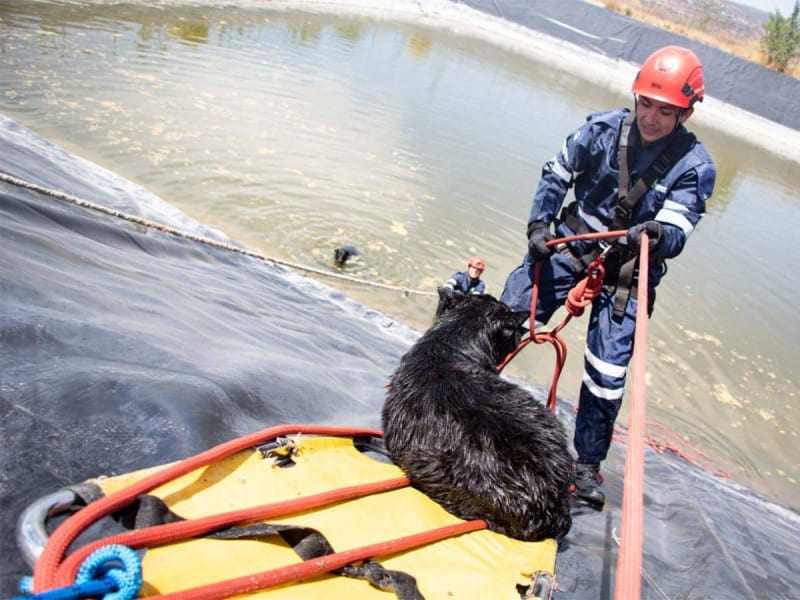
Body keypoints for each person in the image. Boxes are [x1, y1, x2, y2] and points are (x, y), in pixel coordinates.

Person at [500, 46, 716, 509]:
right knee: (505, 317)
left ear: (686, 113)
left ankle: (585, 466)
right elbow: (556, 173)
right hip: (570, 245)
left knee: (607, 374)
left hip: (626, 273)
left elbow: (678, 228)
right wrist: (539, 225)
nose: (651, 118)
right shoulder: (600, 132)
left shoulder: (694, 167)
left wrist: (656, 233)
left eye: (665, 111)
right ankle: (449, 389)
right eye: (646, 104)